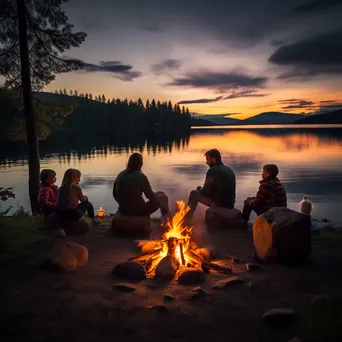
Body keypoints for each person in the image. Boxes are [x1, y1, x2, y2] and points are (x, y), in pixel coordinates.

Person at [184, 149, 236, 224]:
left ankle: (186, 221)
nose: (206, 162)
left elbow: (205, 192)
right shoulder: (229, 170)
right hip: (230, 204)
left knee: (194, 193)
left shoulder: (212, 171)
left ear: (213, 159)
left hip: (219, 204)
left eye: (207, 159)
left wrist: (199, 189)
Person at [113, 153, 170, 221]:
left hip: (123, 209)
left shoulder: (120, 175)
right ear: (140, 164)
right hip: (138, 211)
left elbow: (114, 194)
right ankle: (167, 222)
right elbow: (150, 196)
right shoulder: (141, 177)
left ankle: (166, 220)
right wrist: (157, 198)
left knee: (161, 193)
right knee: (164, 198)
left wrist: (123, 204)